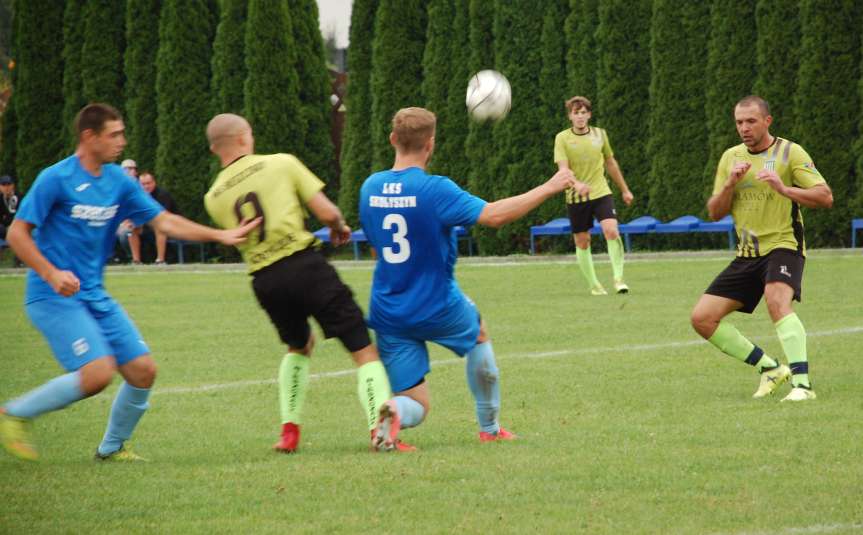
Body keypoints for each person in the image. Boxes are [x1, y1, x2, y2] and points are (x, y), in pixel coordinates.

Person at [0, 103, 259, 462]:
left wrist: (222, 235)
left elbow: (165, 222)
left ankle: (112, 448)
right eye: (114, 134)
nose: (121, 141)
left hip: (94, 295)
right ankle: (13, 413)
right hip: (52, 297)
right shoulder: (55, 179)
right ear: (89, 137)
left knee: (142, 371)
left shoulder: (119, 181)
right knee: (98, 373)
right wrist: (51, 272)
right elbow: (17, 234)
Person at [359, 107, 576, 446]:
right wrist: (550, 186)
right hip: (436, 302)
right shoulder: (435, 189)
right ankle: (489, 429)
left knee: (417, 403)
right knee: (478, 334)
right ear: (430, 145)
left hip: (389, 308)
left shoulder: (370, 187)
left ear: (392, 140)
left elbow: (375, 245)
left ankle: (393, 410)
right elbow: (494, 216)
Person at [204, 113, 401, 453]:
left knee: (299, 346)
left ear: (213, 149)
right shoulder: (280, 163)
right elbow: (325, 212)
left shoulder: (213, 196)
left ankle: (289, 431)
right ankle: (377, 430)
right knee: (363, 350)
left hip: (264, 279)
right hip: (305, 266)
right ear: (243, 138)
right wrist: (339, 225)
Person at [690, 95, 833, 402]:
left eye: (751, 121)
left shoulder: (789, 152)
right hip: (747, 254)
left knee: (776, 300)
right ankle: (769, 368)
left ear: (767, 121)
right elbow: (715, 212)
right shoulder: (731, 157)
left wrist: (784, 189)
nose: (744, 128)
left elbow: (825, 197)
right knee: (702, 319)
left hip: (784, 245)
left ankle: (803, 385)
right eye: (739, 122)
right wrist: (729, 184)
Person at [554, 96, 634, 295]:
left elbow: (611, 163)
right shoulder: (562, 138)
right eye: (576, 113)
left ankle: (619, 279)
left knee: (611, 231)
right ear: (570, 116)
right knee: (583, 241)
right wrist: (576, 184)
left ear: (589, 115)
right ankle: (594, 285)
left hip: (601, 192)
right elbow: (563, 170)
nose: (580, 116)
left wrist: (624, 189)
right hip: (576, 197)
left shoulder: (600, 135)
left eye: (583, 113)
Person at [118, 171, 181, 264]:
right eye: (143, 184)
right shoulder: (137, 196)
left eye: (148, 183)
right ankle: (136, 261)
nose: (146, 186)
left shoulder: (162, 194)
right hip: (148, 225)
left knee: (160, 228)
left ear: (154, 182)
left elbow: (163, 216)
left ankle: (160, 260)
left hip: (170, 225)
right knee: (132, 229)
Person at [0, 174, 18, 240]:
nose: (6, 187)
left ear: (13, 185)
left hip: (18, 225)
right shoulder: (1, 199)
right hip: (5, 228)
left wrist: (5, 218)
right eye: (3, 185)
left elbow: (13, 216)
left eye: (9, 184)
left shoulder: (17, 197)